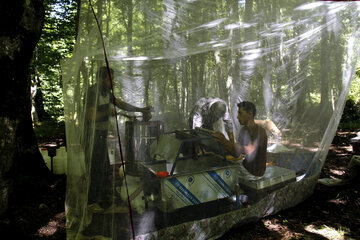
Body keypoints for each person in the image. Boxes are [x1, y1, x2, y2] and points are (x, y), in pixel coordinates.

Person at [85, 66, 152, 213]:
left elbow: (120, 103)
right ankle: (91, 203)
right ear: (101, 79)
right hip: (92, 137)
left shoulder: (106, 92)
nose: (113, 82)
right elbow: (91, 117)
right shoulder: (92, 92)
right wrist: (107, 111)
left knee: (103, 168)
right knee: (95, 169)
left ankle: (102, 197)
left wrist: (140, 110)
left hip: (101, 136)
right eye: (111, 79)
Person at [213, 101, 268, 179]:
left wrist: (225, 141)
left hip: (254, 175)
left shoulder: (260, 132)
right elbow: (236, 154)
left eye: (240, 113)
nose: (237, 117)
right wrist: (221, 145)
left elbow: (248, 150)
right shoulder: (244, 130)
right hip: (244, 169)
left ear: (250, 114)